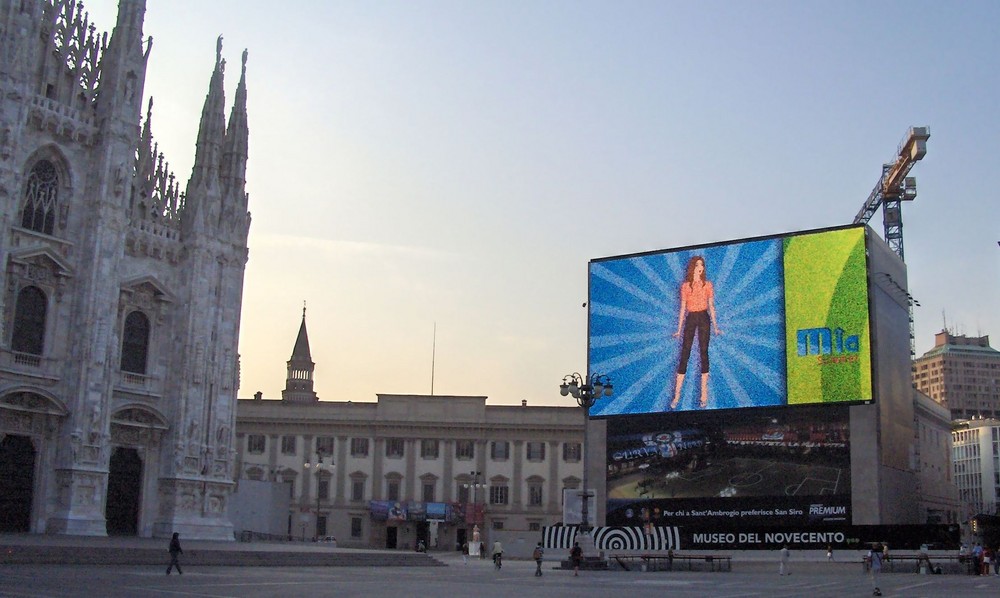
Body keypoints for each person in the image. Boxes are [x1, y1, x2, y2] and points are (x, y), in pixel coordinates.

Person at [670, 255, 721, 410]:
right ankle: (677, 395)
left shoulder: (708, 285)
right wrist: (679, 329)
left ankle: (703, 395)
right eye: (698, 264)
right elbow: (682, 309)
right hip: (691, 318)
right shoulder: (685, 286)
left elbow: (711, 306)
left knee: (704, 353)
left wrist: (716, 325)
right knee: (685, 353)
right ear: (693, 267)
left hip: (704, 317)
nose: (701, 267)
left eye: (702, 265)